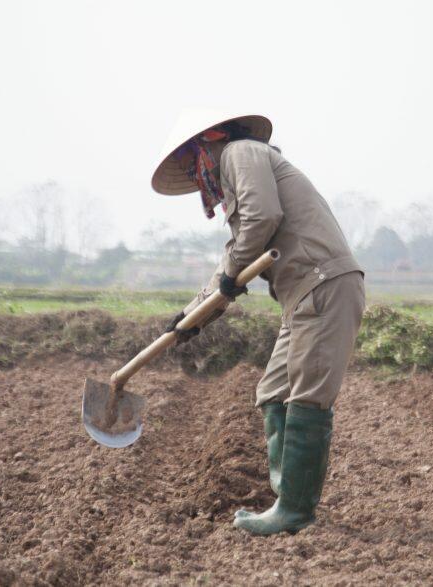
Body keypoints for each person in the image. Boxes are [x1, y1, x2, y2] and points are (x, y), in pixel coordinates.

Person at [151, 110, 366, 535]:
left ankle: (294, 511)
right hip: (301, 296)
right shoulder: (240, 161)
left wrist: (229, 279)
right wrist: (194, 316)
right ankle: (287, 497)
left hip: (322, 285)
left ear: (208, 141)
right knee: (273, 390)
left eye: (193, 163)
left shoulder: (240, 152)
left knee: (307, 396)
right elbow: (236, 255)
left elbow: (261, 218)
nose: (197, 178)